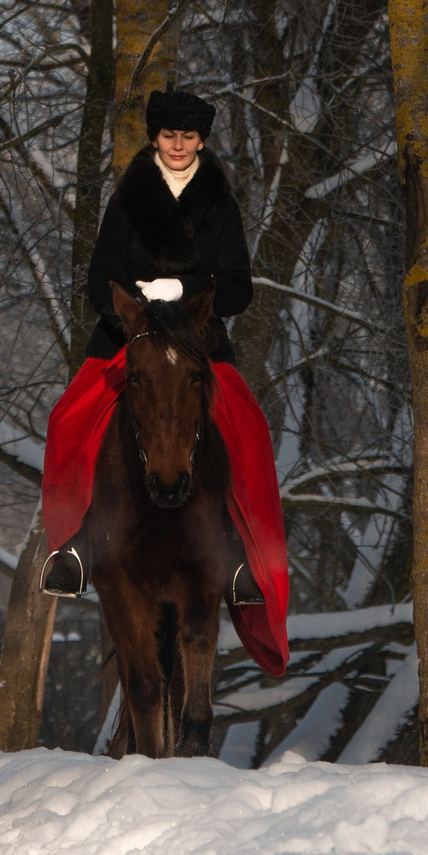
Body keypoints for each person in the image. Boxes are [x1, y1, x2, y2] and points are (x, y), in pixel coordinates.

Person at [39, 89, 287, 680]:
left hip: (198, 340)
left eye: (188, 137)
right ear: (155, 138)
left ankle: (238, 555)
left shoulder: (221, 206)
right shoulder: (127, 202)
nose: (178, 146)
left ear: (201, 141)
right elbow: (100, 278)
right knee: (69, 419)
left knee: (246, 426)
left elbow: (240, 287)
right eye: (169, 136)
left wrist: (186, 294)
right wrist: (136, 308)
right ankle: (73, 544)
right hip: (131, 336)